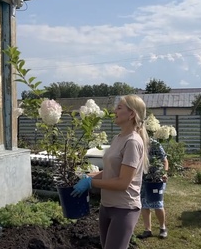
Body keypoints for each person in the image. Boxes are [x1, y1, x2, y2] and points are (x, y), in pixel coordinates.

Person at [71, 95, 149, 249]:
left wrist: (91, 183)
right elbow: (110, 171)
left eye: (119, 108)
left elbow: (123, 183)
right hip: (106, 206)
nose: (115, 111)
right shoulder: (118, 138)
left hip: (124, 209)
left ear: (132, 114)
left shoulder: (132, 142)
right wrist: (90, 176)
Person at [137, 138, 169, 239]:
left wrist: (164, 173)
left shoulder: (155, 144)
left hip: (156, 178)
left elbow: (164, 160)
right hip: (142, 178)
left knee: (158, 204)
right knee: (144, 204)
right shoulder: (135, 142)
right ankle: (148, 230)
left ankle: (163, 228)